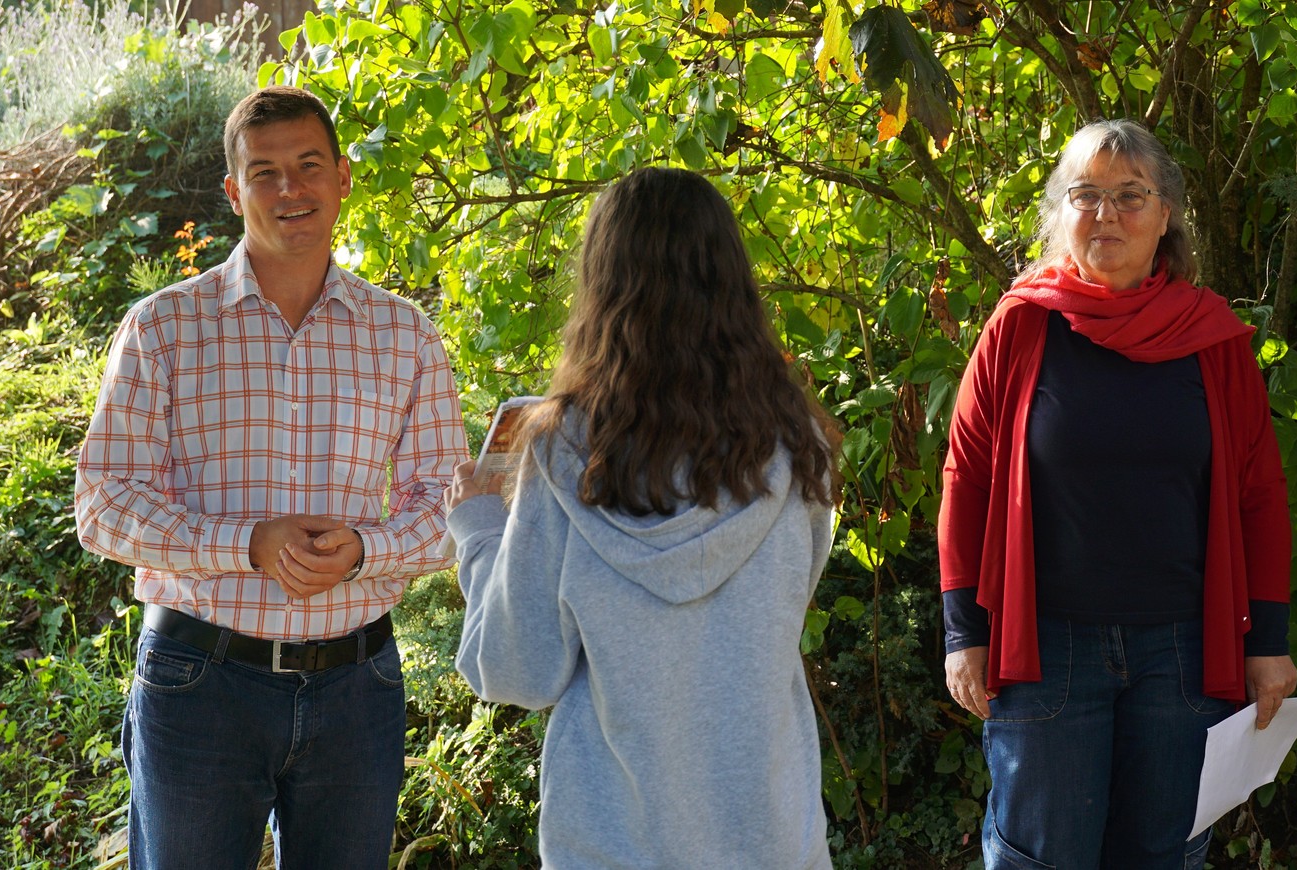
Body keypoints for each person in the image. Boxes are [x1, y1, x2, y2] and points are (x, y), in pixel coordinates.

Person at [74, 86, 469, 869]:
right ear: (234, 190)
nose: (291, 188)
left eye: (309, 165)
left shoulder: (406, 336)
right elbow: (103, 505)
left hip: (357, 688)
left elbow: (448, 508)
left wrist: (366, 550)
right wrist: (247, 545)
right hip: (199, 682)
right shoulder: (163, 329)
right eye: (265, 172)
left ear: (343, 177)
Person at [443, 167, 838, 869]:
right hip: (770, 839)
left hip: (610, 845)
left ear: (601, 289)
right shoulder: (797, 446)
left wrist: (478, 530)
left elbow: (516, 670)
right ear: (732, 283)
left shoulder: (565, 452)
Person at [937, 119, 1297, 869]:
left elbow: (1259, 495)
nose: (1106, 214)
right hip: (1045, 651)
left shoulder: (1213, 339)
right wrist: (962, 633)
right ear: (1060, 213)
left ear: (1165, 216)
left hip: (1184, 652)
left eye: (1130, 195)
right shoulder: (1019, 328)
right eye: (1086, 195)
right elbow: (966, 479)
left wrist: (1266, 642)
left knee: (1163, 856)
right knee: (1043, 857)